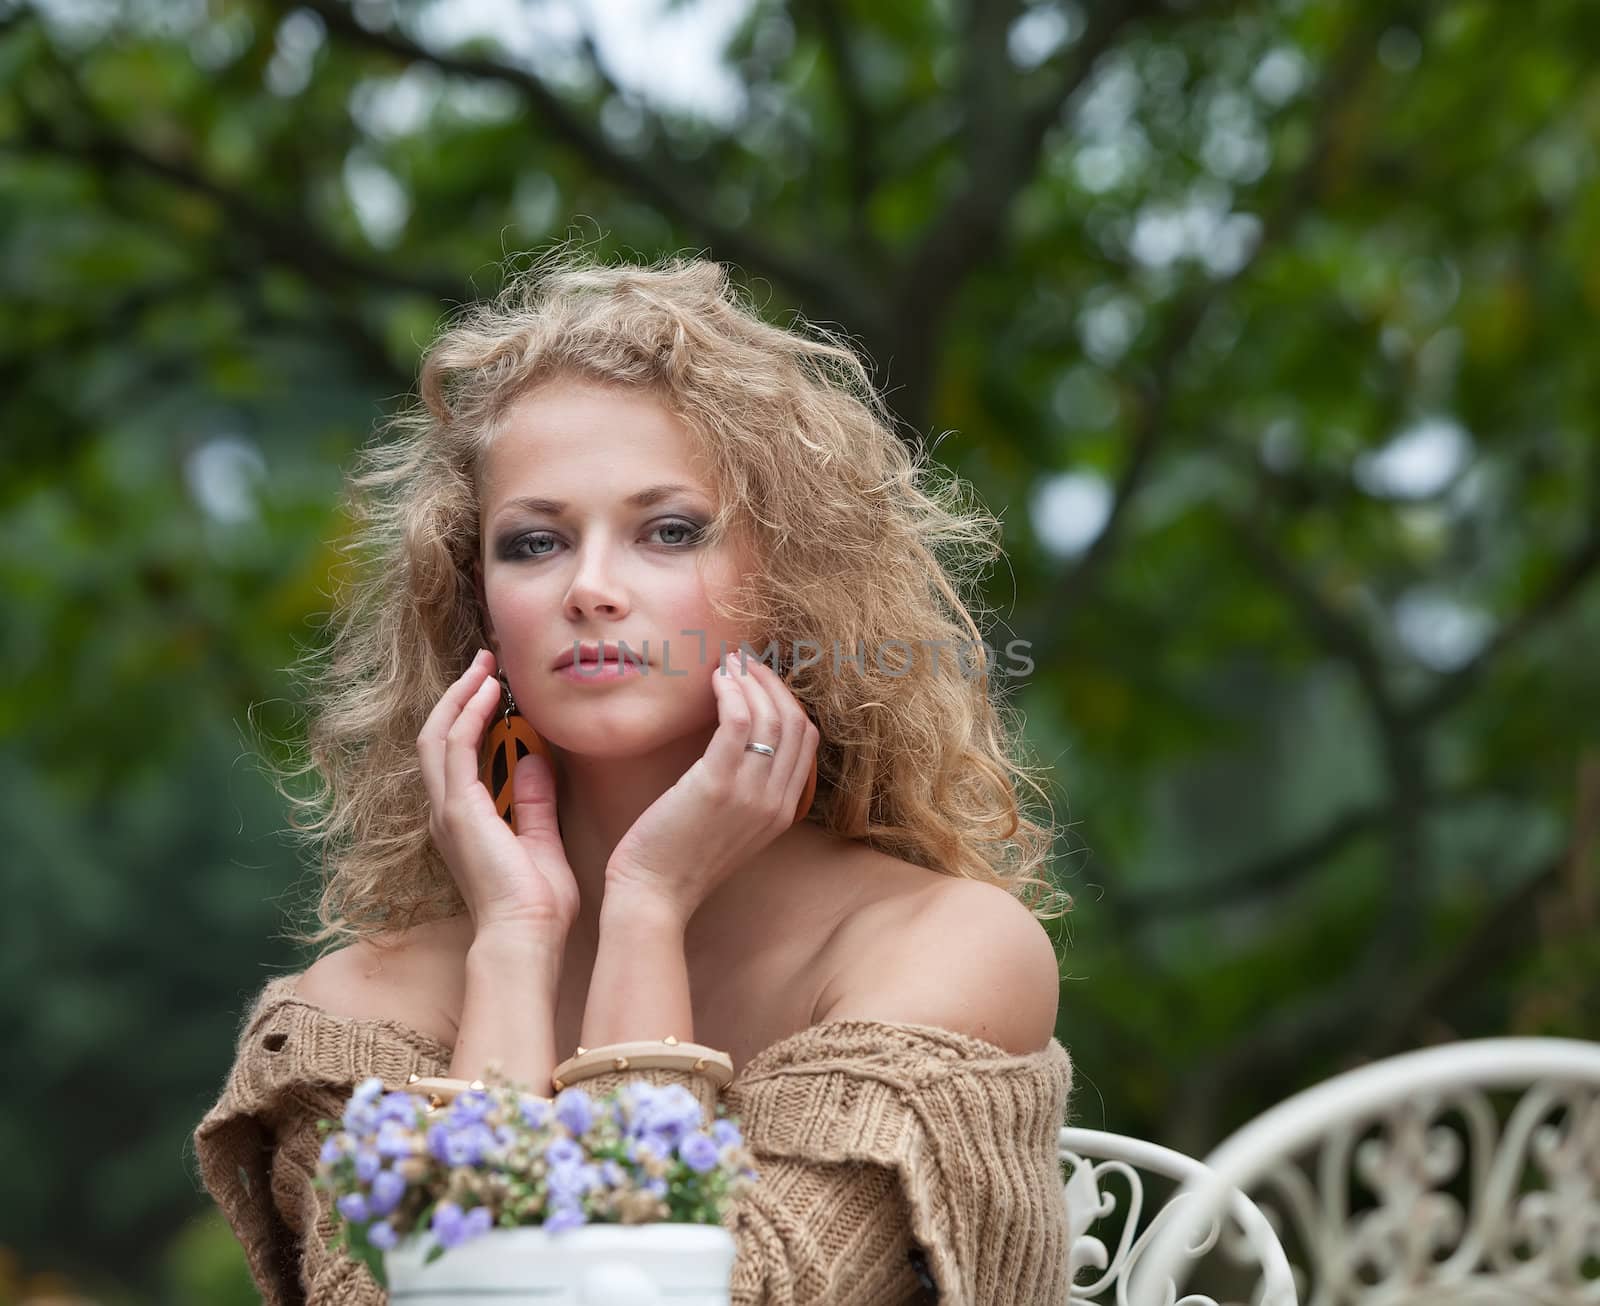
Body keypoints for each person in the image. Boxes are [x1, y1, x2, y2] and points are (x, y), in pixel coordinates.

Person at [191, 244, 1076, 1305]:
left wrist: (646, 906)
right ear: (473, 604)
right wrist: (516, 945)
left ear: (794, 581)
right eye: (533, 543)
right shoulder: (351, 1010)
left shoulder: (942, 952)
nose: (592, 588)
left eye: (667, 531)